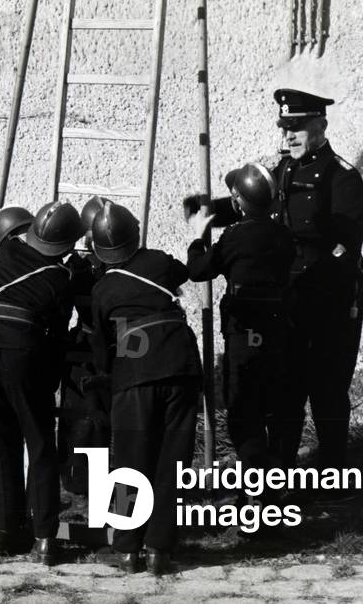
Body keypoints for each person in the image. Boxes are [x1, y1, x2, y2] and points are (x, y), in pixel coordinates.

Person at [90, 201, 202, 575]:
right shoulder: (157, 261)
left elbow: (101, 345)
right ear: (134, 235)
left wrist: (110, 376)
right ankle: (160, 550)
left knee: (129, 461)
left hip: (134, 372)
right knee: (173, 460)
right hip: (180, 364)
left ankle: (126, 548)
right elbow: (187, 272)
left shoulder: (102, 288)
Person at [0, 202, 82, 565]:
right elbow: (56, 332)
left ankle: (4, 531)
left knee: (0, 441)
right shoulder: (60, 277)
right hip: (22, 354)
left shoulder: (4, 253)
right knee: (39, 443)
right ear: (65, 246)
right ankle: (45, 538)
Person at [269, 89, 363, 470]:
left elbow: (344, 248)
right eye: (285, 129)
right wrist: (209, 210)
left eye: (297, 129)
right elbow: (255, 205)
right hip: (290, 300)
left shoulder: (341, 178)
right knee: (287, 389)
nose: (289, 137)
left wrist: (312, 285)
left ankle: (334, 474)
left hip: (329, 301)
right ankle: (279, 470)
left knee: (326, 391)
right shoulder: (284, 170)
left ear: (321, 127)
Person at [186, 163, 294, 482]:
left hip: (242, 337)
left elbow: (198, 270)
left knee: (244, 415)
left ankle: (253, 491)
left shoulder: (234, 237)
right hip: (276, 336)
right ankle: (269, 488)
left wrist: (197, 238)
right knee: (271, 409)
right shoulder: (284, 236)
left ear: (237, 201)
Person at [56, 196, 113, 495]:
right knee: (78, 413)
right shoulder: (76, 267)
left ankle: (99, 478)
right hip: (85, 344)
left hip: (110, 347)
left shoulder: (116, 262)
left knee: (104, 417)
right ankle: (75, 476)